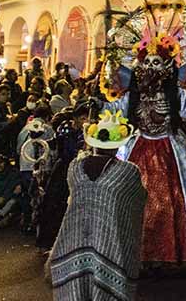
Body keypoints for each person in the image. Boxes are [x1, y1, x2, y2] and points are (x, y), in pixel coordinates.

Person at [48, 110, 145, 300]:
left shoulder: (75, 168)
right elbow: (138, 202)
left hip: (74, 243)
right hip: (111, 242)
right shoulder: (127, 171)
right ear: (117, 147)